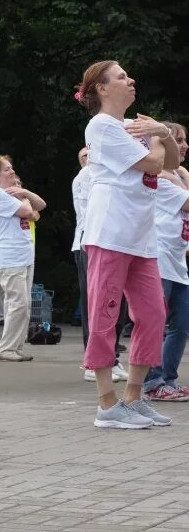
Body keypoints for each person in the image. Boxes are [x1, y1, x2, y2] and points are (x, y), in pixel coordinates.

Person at [76, 59, 178, 429]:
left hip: (141, 236)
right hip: (110, 232)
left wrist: (162, 134)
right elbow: (154, 164)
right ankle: (106, 403)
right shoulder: (102, 125)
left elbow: (173, 161)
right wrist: (158, 134)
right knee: (105, 313)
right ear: (102, 88)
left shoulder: (132, 126)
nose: (131, 80)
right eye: (121, 77)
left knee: (153, 314)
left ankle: (134, 398)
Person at [0, 156, 46, 362]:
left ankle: (16, 347)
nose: (12, 172)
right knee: (17, 303)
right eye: (7, 169)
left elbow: (41, 205)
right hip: (9, 257)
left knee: (24, 304)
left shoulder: (14, 194)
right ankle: (6, 348)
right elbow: (29, 211)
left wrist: (24, 192)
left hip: (23, 256)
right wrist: (24, 197)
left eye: (12, 168)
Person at [73, 147, 128, 382]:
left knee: (118, 304)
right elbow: (90, 213)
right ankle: (94, 362)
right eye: (84, 156)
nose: (89, 158)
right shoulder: (87, 176)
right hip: (90, 243)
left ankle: (112, 357)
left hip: (114, 243)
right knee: (96, 304)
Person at [143, 122, 189, 401]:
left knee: (182, 323)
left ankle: (168, 380)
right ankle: (152, 382)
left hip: (177, 261)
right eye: (178, 140)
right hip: (158, 259)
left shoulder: (178, 178)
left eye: (184, 140)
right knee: (154, 322)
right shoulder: (157, 179)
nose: (184, 145)